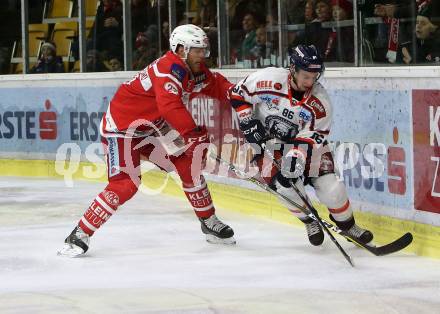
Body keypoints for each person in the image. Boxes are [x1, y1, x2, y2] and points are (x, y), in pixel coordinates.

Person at [58, 24, 235, 257]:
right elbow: (169, 105)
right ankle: (79, 233)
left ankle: (208, 221)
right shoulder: (168, 68)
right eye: (197, 50)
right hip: (121, 130)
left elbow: (217, 85)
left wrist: (241, 95)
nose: (203, 56)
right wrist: (192, 134)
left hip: (151, 129)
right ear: (181, 49)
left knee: (188, 167)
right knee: (125, 184)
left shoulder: (194, 68)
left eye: (204, 50)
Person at [228, 44, 373, 246]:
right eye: (306, 76)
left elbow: (315, 135)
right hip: (268, 144)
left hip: (306, 146)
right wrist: (247, 121)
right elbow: (236, 93)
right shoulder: (268, 79)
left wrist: (296, 156)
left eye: (315, 76)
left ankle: (349, 227)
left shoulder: (320, 102)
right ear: (293, 69)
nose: (310, 81)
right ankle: (309, 220)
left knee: (332, 189)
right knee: (285, 187)